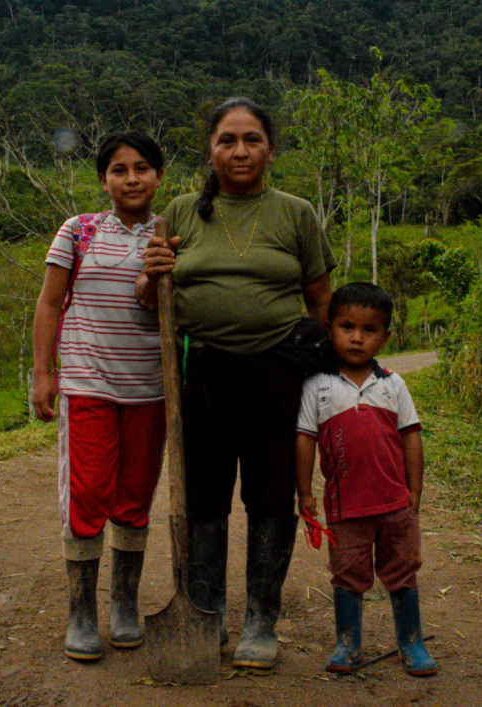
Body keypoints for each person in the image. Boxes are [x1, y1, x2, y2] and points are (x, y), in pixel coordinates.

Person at [138, 97, 335, 669]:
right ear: (211, 151)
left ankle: (260, 620)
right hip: (201, 371)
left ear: (271, 150)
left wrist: (328, 374)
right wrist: (149, 277)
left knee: (271, 493)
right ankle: (207, 613)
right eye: (228, 140)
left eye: (252, 140)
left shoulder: (296, 213)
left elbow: (322, 301)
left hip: (277, 371)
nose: (240, 150)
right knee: (203, 496)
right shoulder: (179, 212)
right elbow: (150, 299)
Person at [32, 131, 166, 661]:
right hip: (88, 383)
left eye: (142, 168)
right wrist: (42, 372)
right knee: (87, 493)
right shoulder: (79, 231)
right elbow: (49, 302)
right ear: (103, 180)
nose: (131, 179)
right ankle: (82, 611)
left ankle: (124, 604)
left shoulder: (171, 233)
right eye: (118, 170)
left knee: (135, 495)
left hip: (150, 388)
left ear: (159, 176)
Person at [295, 283, 437, 677]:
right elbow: (305, 440)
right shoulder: (317, 386)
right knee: (347, 573)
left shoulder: (393, 384)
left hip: (395, 504)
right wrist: (305, 492)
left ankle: (411, 641)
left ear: (385, 337)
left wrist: (414, 491)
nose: (356, 338)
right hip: (346, 508)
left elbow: (412, 437)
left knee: (402, 569)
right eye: (347, 327)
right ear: (329, 329)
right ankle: (348, 644)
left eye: (369, 330)